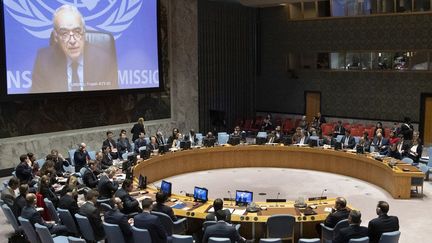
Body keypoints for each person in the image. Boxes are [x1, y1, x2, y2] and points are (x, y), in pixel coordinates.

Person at [31, 4, 118, 93]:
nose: (72, 41)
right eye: (64, 33)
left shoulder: (105, 60)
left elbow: (113, 99)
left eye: (77, 31)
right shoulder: (43, 60)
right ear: (56, 36)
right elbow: (38, 101)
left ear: (84, 32)